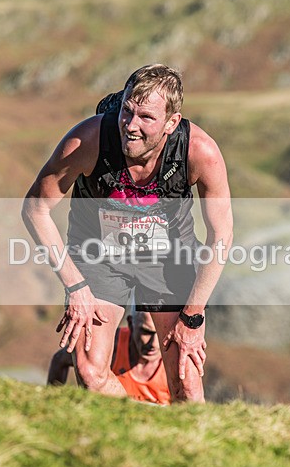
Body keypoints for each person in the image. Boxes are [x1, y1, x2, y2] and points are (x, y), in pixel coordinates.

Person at [23, 64, 233, 402]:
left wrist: (193, 316)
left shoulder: (199, 151)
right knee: (90, 374)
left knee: (186, 383)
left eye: (146, 118)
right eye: (126, 111)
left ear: (171, 123)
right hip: (100, 258)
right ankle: (146, 427)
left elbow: (221, 236)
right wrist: (75, 287)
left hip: (168, 260)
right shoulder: (87, 140)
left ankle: (188, 445)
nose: (130, 126)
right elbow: (35, 208)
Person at [47, 309, 171, 405]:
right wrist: (54, 404)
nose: (154, 344)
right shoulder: (110, 345)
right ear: (131, 324)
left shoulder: (176, 358)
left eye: (160, 333)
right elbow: (59, 360)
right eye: (146, 332)